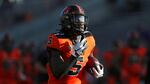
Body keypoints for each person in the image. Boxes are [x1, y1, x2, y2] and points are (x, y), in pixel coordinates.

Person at [46, 4, 104, 84]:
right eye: (77, 20)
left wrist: (94, 64)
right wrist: (74, 55)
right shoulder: (57, 39)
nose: (81, 23)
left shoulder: (88, 38)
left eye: (82, 19)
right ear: (67, 21)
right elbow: (57, 72)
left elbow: (88, 56)